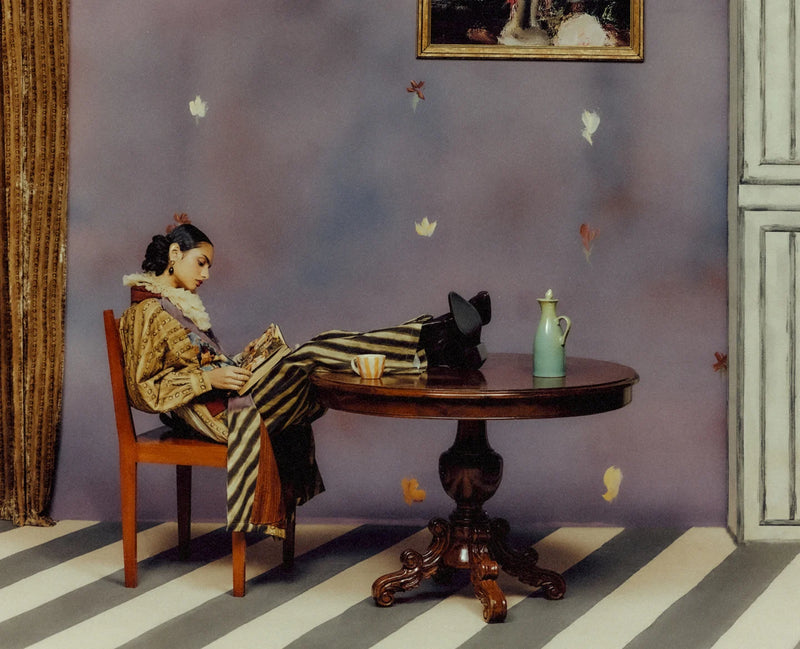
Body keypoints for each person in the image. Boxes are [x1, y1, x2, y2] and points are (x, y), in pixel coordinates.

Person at [119, 221, 491, 537]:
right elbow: (141, 389)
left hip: (233, 399)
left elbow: (200, 364)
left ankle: (440, 342)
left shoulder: (175, 305)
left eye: (208, 266)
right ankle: (438, 339)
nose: (206, 275)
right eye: (201, 263)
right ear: (174, 254)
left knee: (318, 346)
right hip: (219, 418)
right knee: (312, 354)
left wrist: (245, 360)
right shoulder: (145, 311)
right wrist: (209, 379)